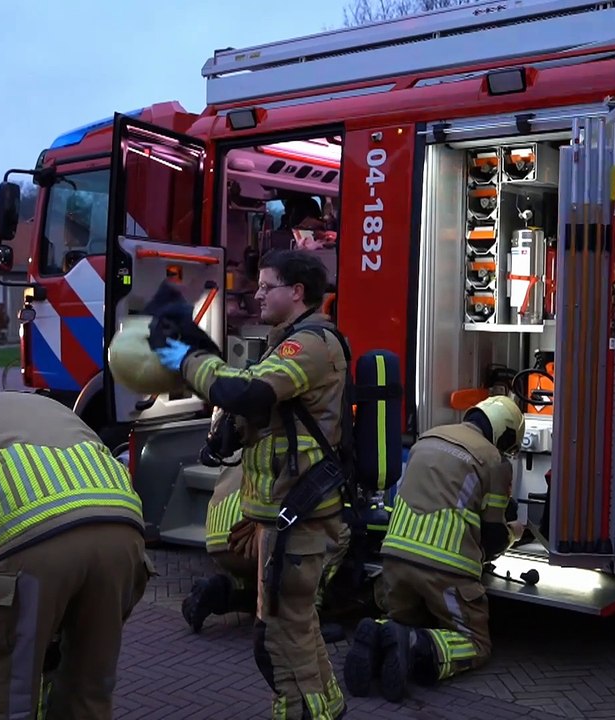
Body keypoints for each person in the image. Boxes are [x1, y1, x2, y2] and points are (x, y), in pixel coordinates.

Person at [155, 248, 351, 720]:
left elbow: (247, 391)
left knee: (281, 635)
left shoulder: (309, 344)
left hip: (299, 515)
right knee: (291, 630)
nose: (257, 293)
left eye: (267, 285)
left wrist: (184, 359)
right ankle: (317, 709)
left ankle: (313, 712)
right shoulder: (288, 340)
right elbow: (257, 403)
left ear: (296, 292)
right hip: (284, 514)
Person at [0, 388, 153, 720]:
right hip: (124, 536)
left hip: (28, 540)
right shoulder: (46, 409)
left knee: (0, 705)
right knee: (88, 695)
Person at [343, 396, 526, 703]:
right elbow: (493, 538)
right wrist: (516, 533)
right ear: (503, 432)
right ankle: (414, 644)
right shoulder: (494, 460)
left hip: (395, 559)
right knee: (476, 642)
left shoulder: (427, 438)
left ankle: (378, 634)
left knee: (403, 617)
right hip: (445, 569)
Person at [184, 462, 352, 643]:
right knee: (338, 532)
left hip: (219, 536)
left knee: (262, 586)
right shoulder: (305, 447)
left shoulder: (250, 438)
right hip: (253, 533)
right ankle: (307, 618)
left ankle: (221, 590)